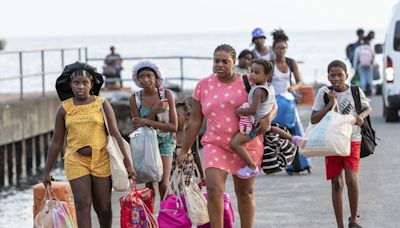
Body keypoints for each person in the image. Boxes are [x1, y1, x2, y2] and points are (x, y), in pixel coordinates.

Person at [177, 44, 277, 228]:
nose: (220, 64)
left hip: (245, 143)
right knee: (214, 189)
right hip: (215, 143)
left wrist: (268, 119)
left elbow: (272, 104)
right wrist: (184, 150)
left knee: (245, 193)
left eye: (225, 61)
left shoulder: (249, 81)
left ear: (234, 62)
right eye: (216, 61)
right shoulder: (203, 85)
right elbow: (195, 121)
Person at [42, 62, 135, 228]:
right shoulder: (64, 109)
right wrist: (47, 171)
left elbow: (115, 134)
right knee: (82, 205)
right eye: (76, 83)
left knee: (104, 207)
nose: (80, 87)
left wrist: (129, 165)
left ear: (91, 84)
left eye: (85, 82)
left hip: (102, 159)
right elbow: (56, 141)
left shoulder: (101, 104)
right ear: (70, 85)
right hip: (76, 160)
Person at [311, 60, 371, 228]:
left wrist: (362, 117)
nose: (336, 78)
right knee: (337, 183)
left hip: (353, 138)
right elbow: (314, 118)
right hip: (332, 140)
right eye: (332, 75)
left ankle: (353, 220)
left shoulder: (355, 91)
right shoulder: (324, 92)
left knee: (352, 179)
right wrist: (330, 104)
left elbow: (367, 108)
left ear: (347, 75)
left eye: (340, 75)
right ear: (328, 76)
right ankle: (340, 225)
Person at [230, 59, 307, 178]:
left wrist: (239, 111)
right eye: (252, 71)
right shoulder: (269, 87)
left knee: (235, 143)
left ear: (266, 75)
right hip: (265, 121)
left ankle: (251, 166)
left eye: (256, 73)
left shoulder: (258, 91)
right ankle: (294, 139)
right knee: (272, 128)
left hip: (255, 126)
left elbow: (253, 110)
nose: (252, 75)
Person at [129, 59, 178, 200]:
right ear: (137, 79)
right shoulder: (134, 99)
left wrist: (145, 120)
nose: (145, 79)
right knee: (149, 186)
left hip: (165, 141)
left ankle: (165, 217)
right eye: (142, 76)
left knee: (164, 183)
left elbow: (173, 127)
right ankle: (150, 219)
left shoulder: (166, 95)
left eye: (149, 76)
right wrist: (154, 111)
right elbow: (137, 126)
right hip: (145, 143)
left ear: (156, 77)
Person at [270, 29, 304, 135]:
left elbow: (299, 82)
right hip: (274, 101)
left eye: (283, 48)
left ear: (287, 48)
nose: (281, 51)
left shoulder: (291, 62)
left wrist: (293, 88)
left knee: (296, 127)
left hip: (288, 100)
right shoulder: (270, 65)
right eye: (278, 48)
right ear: (273, 49)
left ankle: (298, 149)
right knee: (273, 126)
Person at [171, 100, 206, 187]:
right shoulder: (170, 133)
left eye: (178, 115)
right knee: (175, 190)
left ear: (186, 117)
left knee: (186, 189)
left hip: (188, 166)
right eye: (173, 114)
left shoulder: (190, 133)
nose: (174, 117)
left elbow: (196, 152)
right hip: (173, 168)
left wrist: (202, 175)